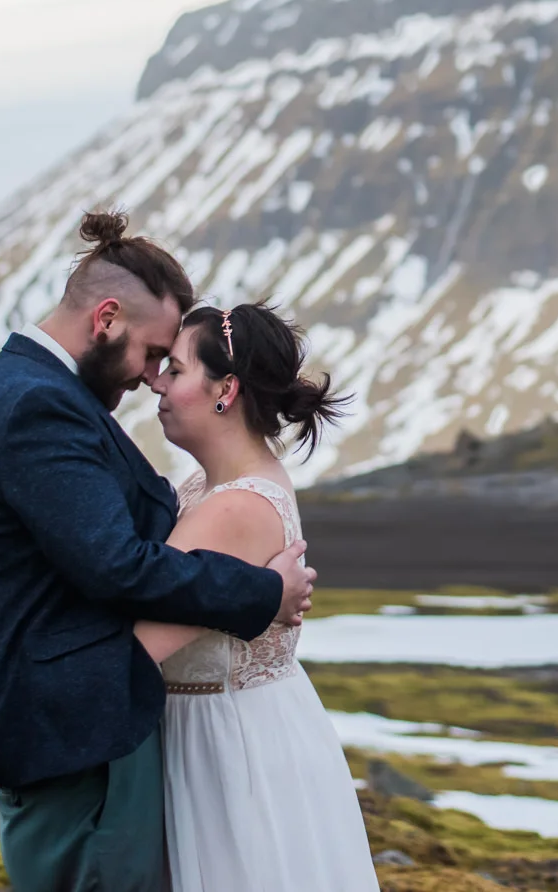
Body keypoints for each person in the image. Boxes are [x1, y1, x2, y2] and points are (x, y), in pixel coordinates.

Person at [0, 212, 317, 892]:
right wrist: (264, 592)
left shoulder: (44, 391)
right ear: (106, 319)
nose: (151, 379)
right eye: (152, 355)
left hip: (94, 733)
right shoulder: (39, 403)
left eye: (170, 365)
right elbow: (115, 564)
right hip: (63, 730)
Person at [137, 298, 378, 891]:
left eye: (176, 369)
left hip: (226, 747)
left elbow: (136, 646)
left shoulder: (236, 508)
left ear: (226, 389)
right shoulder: (211, 485)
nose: (157, 384)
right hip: (246, 730)